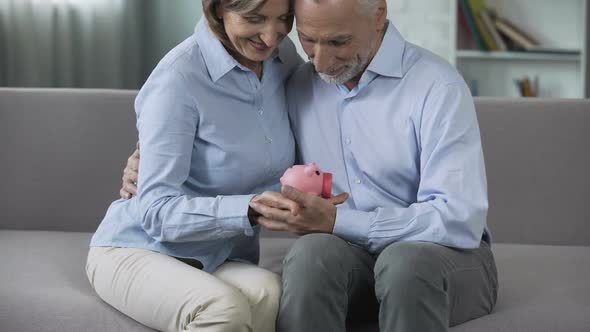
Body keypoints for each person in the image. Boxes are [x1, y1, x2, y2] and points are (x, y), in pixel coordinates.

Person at [121, 0, 498, 331]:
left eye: (338, 42)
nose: (320, 60)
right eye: (307, 40)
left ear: (380, 12)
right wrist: (146, 159)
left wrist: (338, 222)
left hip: (442, 257)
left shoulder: (438, 87)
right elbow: (244, 135)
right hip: (351, 259)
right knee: (309, 256)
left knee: (403, 263)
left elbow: (459, 218)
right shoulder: (295, 79)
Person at [86, 0, 321, 331]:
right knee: (222, 308)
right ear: (218, 8)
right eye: (255, 19)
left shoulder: (283, 60)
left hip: (218, 256)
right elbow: (154, 213)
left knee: (270, 292)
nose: (271, 36)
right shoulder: (178, 78)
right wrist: (248, 209)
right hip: (137, 248)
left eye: (283, 19)